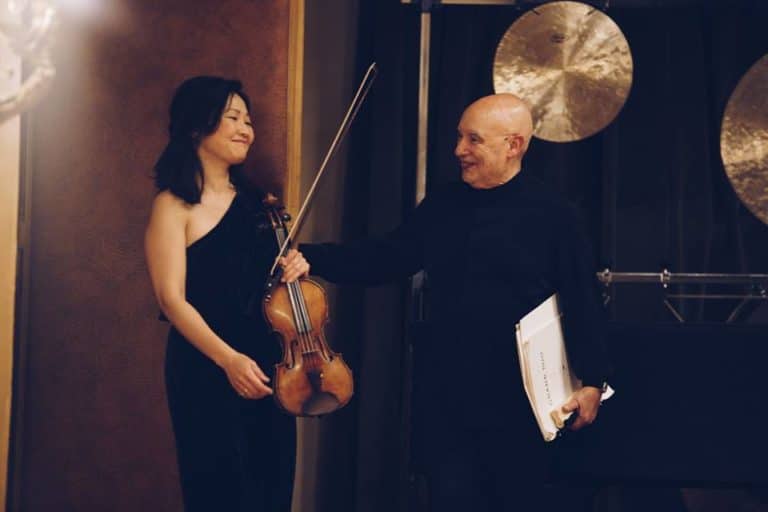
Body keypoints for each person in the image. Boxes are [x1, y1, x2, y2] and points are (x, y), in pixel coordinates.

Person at [300, 94, 610, 511]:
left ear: (513, 145)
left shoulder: (555, 215)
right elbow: (386, 257)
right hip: (449, 396)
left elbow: (582, 298)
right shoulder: (444, 205)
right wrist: (311, 258)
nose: (459, 150)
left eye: (473, 139)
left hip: (522, 403)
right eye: (460, 137)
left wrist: (593, 380)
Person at [144, 76, 309, 512]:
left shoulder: (261, 205)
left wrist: (296, 266)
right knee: (218, 493)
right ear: (198, 127)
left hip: (268, 364)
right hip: (205, 365)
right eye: (233, 118)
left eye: (248, 121)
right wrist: (228, 360)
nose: (246, 130)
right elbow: (170, 299)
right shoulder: (173, 205)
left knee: (271, 491)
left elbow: (277, 288)